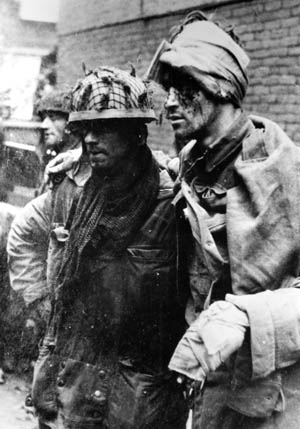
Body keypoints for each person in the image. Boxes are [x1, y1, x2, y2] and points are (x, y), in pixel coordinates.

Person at [7, 66, 188, 428]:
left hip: (134, 393)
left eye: (104, 128)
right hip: (70, 383)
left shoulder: (171, 201)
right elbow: (23, 234)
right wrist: (41, 302)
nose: (90, 139)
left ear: (136, 133)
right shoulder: (72, 191)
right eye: (85, 129)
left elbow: (199, 287)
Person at [145, 10, 300, 429]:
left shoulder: (282, 169)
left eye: (185, 88)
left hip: (269, 399)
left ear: (221, 85)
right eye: (169, 90)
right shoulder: (193, 161)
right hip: (205, 389)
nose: (170, 102)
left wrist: (244, 317)